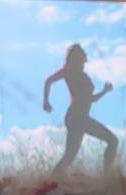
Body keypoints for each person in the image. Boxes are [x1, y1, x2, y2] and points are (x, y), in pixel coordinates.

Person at [42, 44, 118, 179]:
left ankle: (106, 177)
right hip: (76, 117)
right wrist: (46, 101)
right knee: (112, 141)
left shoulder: (84, 76)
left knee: (70, 156)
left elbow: (91, 99)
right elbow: (48, 81)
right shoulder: (69, 71)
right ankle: (106, 177)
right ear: (76, 58)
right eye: (82, 57)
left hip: (81, 118)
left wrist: (104, 91)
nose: (85, 60)